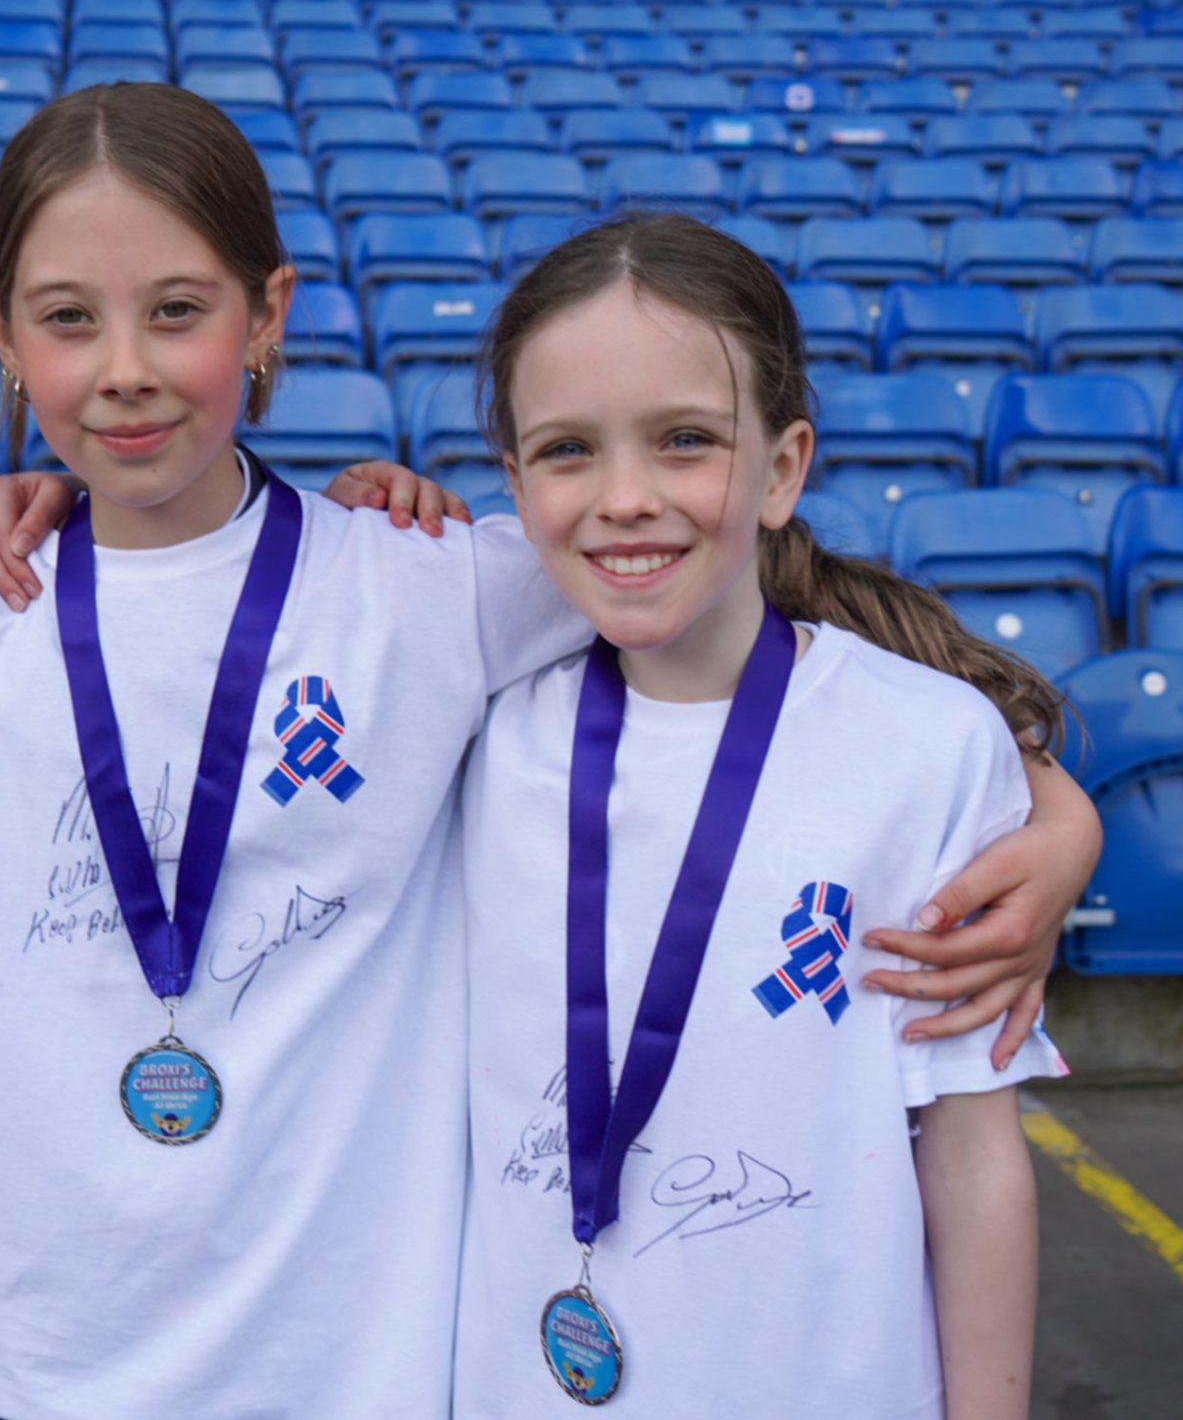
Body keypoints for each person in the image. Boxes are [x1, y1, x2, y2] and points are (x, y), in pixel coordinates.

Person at [0, 85, 1097, 1419]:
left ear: (266, 315)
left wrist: (1059, 804)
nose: (126, 371)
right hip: (27, 1364)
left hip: (352, 1370)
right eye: (69, 320)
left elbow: (730, 596)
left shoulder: (425, 590)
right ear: (2, 336)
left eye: (178, 310)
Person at [454, 214, 1062, 1416]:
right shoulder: (473, 736)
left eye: (686, 441)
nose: (625, 498)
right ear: (515, 487)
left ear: (783, 468)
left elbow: (972, 1156)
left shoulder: (924, 745)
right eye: (568, 450)